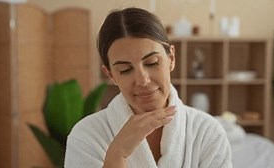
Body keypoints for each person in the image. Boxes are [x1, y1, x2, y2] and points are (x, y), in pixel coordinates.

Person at [64, 7, 232, 168]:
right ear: (110, 74)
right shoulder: (86, 136)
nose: (143, 80)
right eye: (125, 70)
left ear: (171, 58)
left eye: (152, 63)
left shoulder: (207, 132)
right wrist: (116, 154)